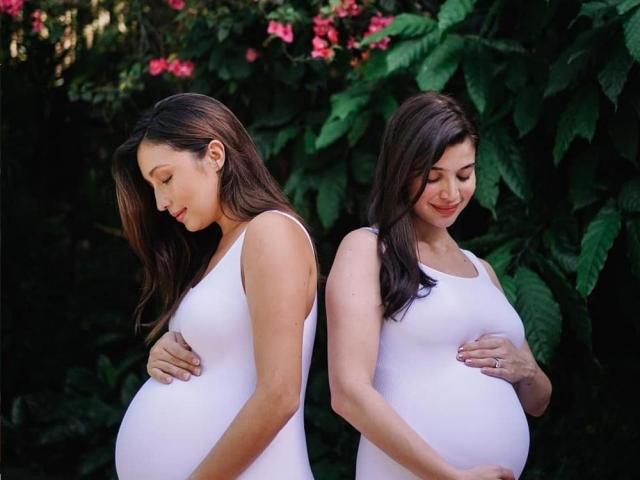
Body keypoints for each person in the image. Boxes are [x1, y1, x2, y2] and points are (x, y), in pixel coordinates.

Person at [326, 92, 552, 480]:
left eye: (464, 175)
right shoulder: (368, 250)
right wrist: (451, 475)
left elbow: (538, 402)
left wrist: (528, 371)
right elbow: (348, 393)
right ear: (402, 173)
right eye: (433, 178)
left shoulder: (482, 270)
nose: (451, 193)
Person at [112, 93, 317, 480]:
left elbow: (279, 395)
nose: (160, 202)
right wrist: (165, 353)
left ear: (215, 155)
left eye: (165, 178)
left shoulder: (270, 232)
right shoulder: (216, 251)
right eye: (152, 187)